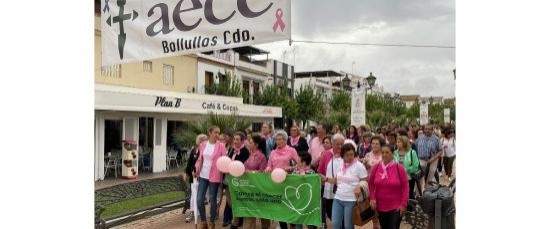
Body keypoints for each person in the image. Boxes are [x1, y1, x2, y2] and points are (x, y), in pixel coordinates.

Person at [325, 143, 368, 229]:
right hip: (338, 198)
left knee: (348, 226)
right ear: (343, 155)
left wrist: (359, 186)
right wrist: (326, 179)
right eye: (347, 155)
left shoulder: (359, 166)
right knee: (335, 224)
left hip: (351, 200)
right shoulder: (341, 165)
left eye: (351, 154)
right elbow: (337, 180)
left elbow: (365, 181)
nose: (350, 157)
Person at [264, 130, 300, 229]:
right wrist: (268, 169)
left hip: (289, 182)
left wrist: (290, 168)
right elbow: (269, 165)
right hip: (276, 184)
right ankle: (283, 226)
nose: (278, 142)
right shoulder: (272, 152)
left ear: (285, 140)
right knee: (280, 207)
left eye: (280, 139)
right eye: (276, 140)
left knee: (290, 206)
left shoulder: (291, 150)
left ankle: (292, 224)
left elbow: (300, 164)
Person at [369, 146, 409, 229]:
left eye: (387, 152)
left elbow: (405, 187)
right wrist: (372, 198)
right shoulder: (376, 167)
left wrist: (403, 204)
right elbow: (371, 184)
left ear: (393, 154)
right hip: (380, 206)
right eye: (382, 152)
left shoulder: (399, 168)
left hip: (396, 206)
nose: (384, 154)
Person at [194, 126, 226, 229]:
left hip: (215, 176)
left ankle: (212, 222)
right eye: (215, 132)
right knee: (199, 199)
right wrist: (195, 169)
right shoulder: (203, 144)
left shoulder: (221, 146)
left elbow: (224, 160)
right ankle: (204, 222)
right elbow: (199, 159)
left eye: (218, 133)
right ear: (209, 133)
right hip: (203, 175)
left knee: (212, 200)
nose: (217, 135)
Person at [242, 134, 270, 229]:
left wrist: (251, 172)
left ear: (256, 145)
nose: (248, 144)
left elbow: (263, 172)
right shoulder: (250, 155)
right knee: (250, 210)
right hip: (249, 187)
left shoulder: (261, 156)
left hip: (259, 188)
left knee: (262, 211)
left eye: (250, 142)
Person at [318, 134, 344, 228]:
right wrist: (323, 180)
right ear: (332, 144)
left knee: (342, 213)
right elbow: (320, 170)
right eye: (337, 144)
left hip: (343, 189)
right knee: (329, 211)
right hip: (329, 188)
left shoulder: (346, 153)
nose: (340, 146)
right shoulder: (326, 154)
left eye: (342, 144)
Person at [227, 132, 250, 229]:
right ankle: (239, 218)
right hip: (229, 178)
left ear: (242, 141)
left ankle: (234, 223)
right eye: (234, 139)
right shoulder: (232, 149)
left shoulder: (245, 151)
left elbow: (243, 165)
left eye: (237, 139)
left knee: (236, 201)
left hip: (239, 180)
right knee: (230, 202)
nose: (235, 141)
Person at [290, 152, 318, 229]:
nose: (296, 160)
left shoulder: (311, 172)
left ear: (304, 162)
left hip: (308, 202)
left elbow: (313, 186)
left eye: (298, 159)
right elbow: (290, 183)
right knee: (298, 222)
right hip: (297, 202)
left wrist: (305, 178)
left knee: (310, 222)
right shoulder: (295, 171)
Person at [184, 134, 207, 222]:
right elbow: (190, 162)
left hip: (202, 177)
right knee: (193, 195)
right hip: (193, 177)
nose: (202, 142)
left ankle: (199, 212)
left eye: (204, 140)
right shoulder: (194, 150)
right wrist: (187, 173)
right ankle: (192, 212)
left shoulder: (205, 151)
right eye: (201, 140)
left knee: (199, 196)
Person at [394, 136, 420, 209]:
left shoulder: (412, 152)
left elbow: (415, 166)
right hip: (397, 178)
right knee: (399, 194)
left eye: (399, 142)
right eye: (397, 142)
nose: (397, 143)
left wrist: (404, 170)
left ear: (404, 143)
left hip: (409, 177)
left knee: (409, 193)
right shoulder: (395, 152)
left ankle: (410, 210)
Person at [415, 124, 443, 192]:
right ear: (424, 130)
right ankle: (418, 194)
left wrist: (433, 159)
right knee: (418, 178)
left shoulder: (436, 139)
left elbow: (440, 151)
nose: (427, 130)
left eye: (429, 129)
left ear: (432, 130)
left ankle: (427, 193)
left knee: (429, 179)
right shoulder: (419, 138)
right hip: (420, 160)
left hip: (432, 161)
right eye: (426, 129)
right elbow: (415, 148)